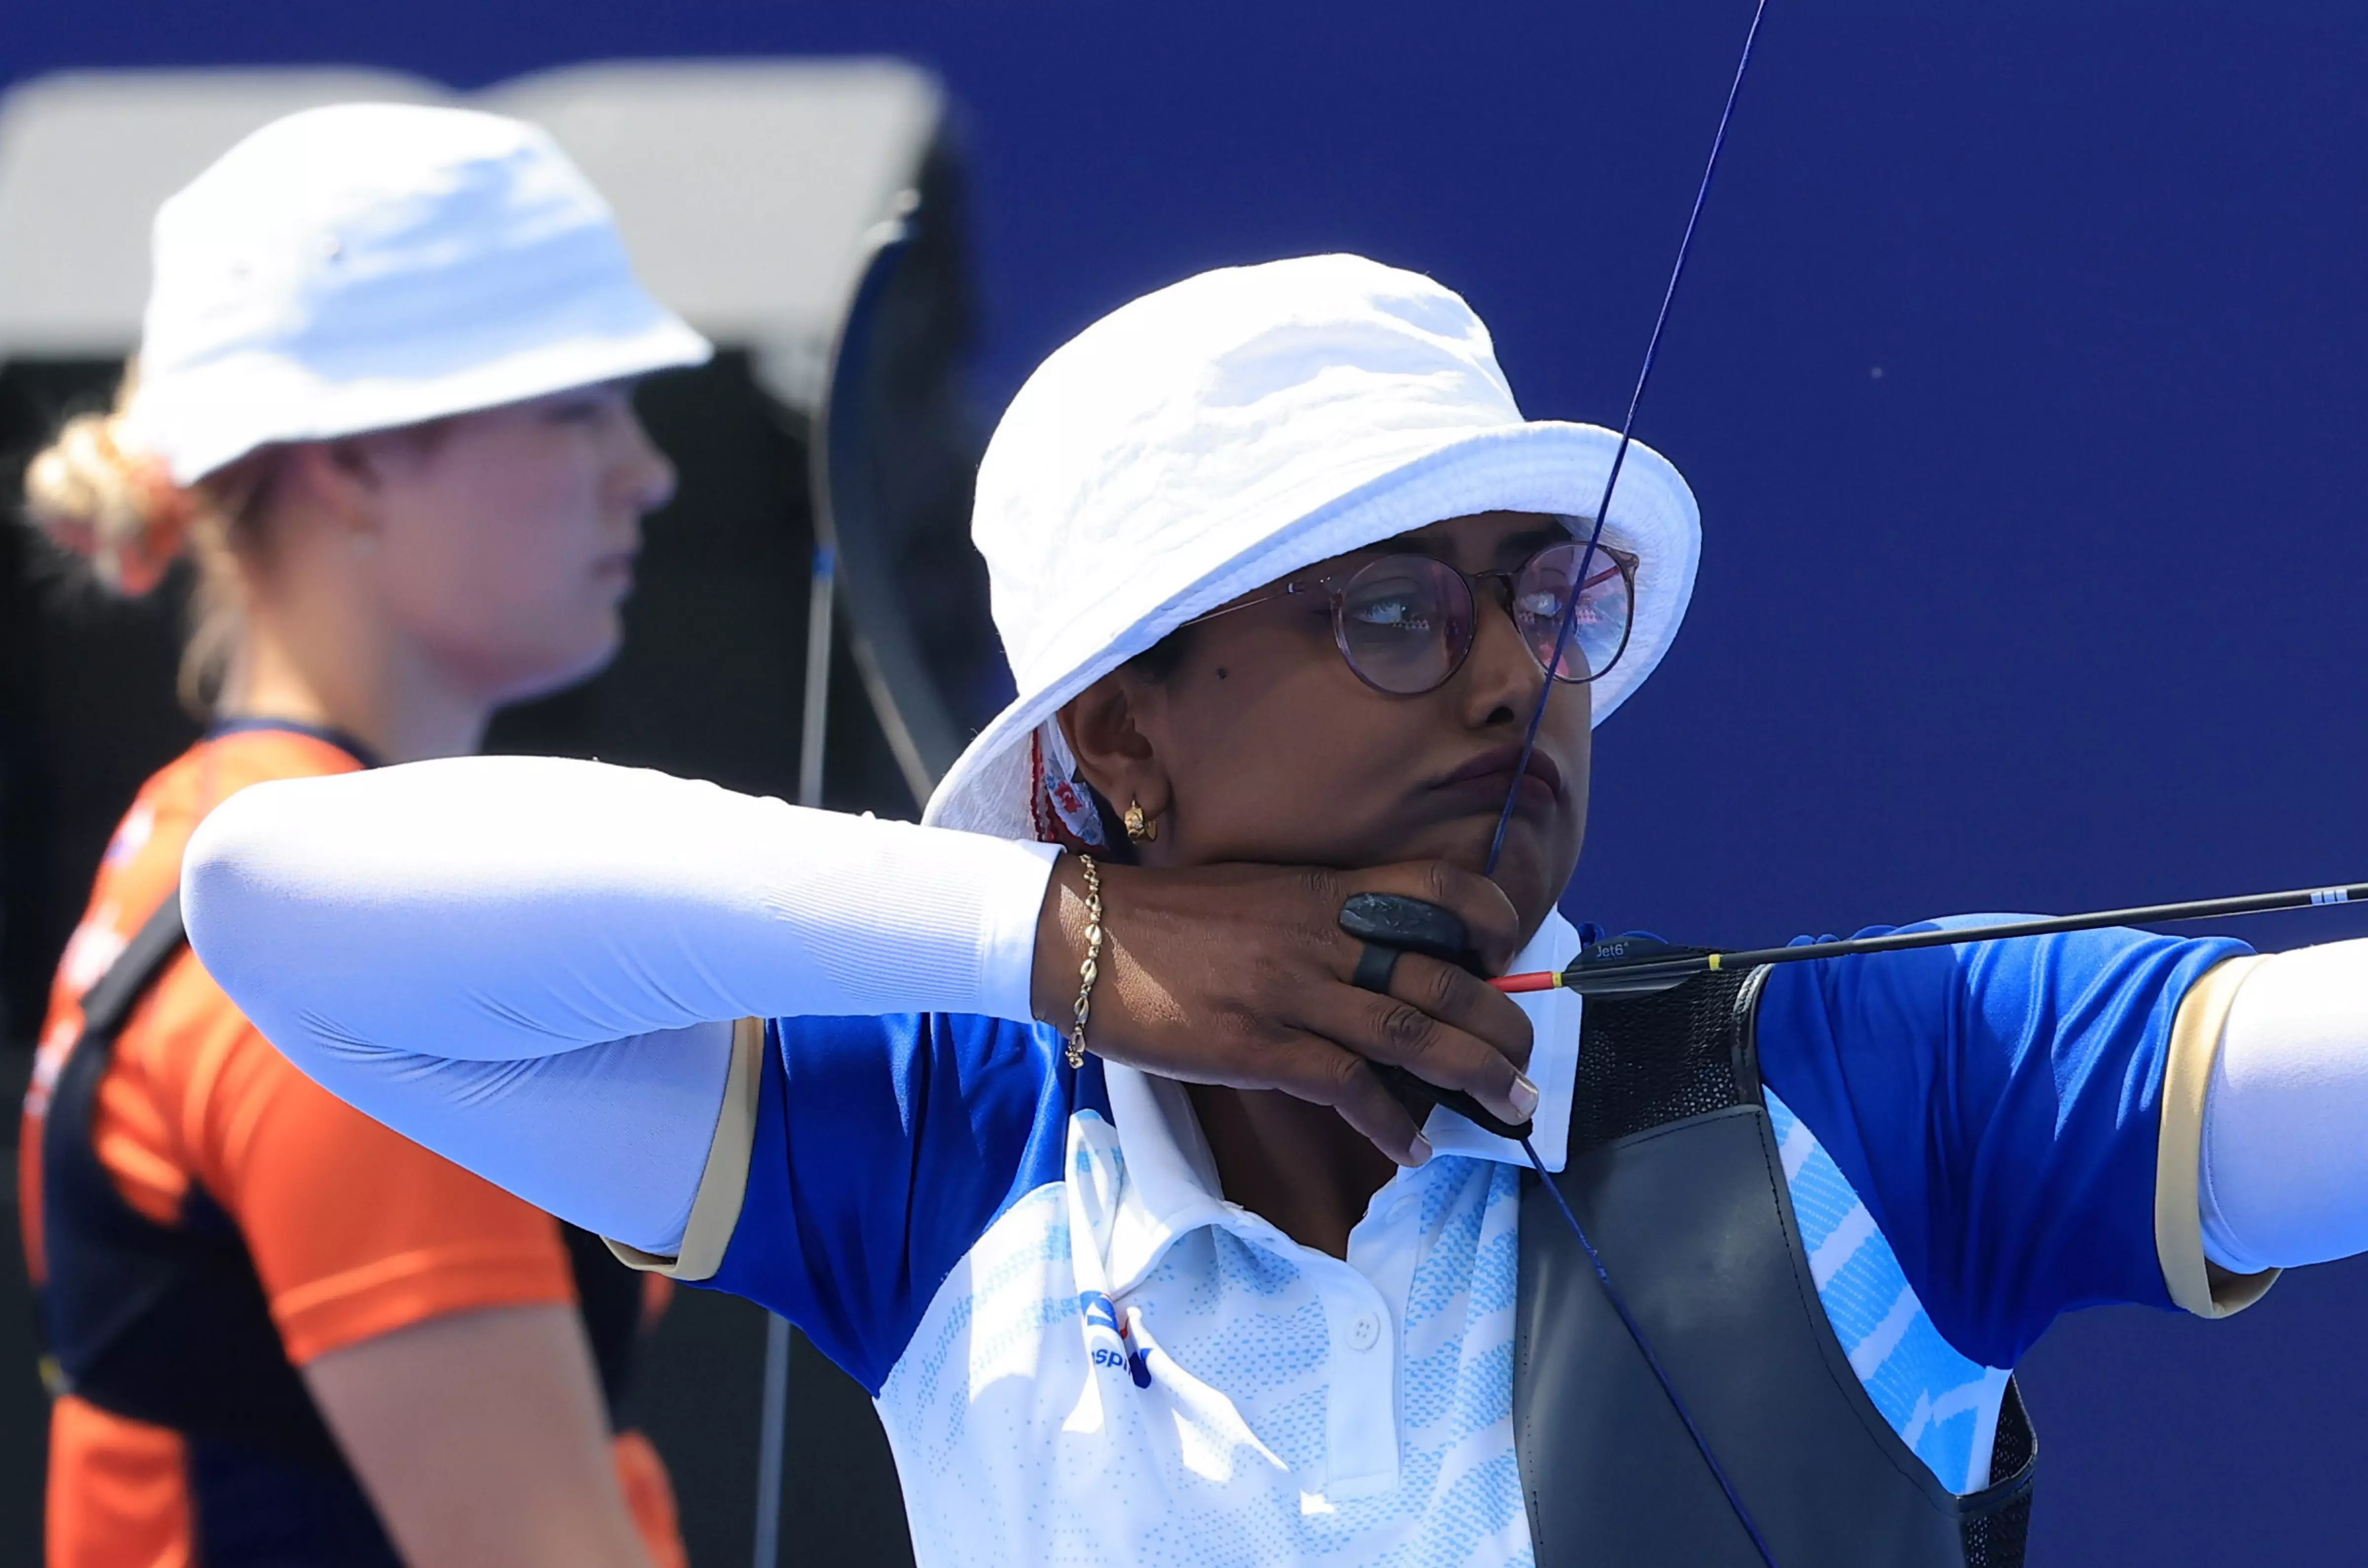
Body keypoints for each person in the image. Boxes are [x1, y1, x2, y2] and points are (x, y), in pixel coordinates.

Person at [176, 254, 2368, 1567]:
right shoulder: (945, 1158)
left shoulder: (1882, 1093)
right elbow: (279, 898)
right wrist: (1062, 949)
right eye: (1402, 615)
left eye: (1548, 594)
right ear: (1117, 740)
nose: (1520, 672)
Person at [19, 103, 709, 1568]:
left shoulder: (225, 838)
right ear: (354, 461)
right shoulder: (340, 945)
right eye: (575, 406)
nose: (643, 470)